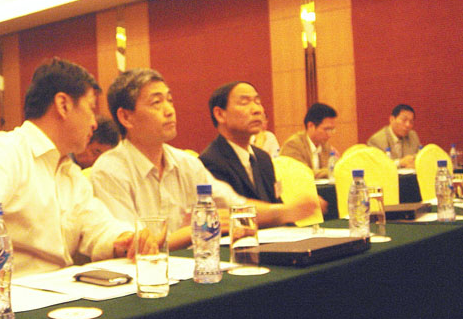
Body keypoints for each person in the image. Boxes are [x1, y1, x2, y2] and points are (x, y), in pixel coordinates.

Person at [0, 58, 152, 296]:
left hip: (61, 293)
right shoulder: (3, 152)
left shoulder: (70, 173)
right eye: (91, 108)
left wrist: (125, 239)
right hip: (10, 296)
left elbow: (96, 226)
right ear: (63, 105)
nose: (94, 123)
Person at [90, 69, 318, 251]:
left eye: (170, 100)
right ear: (126, 117)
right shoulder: (109, 170)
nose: (169, 110)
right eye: (156, 103)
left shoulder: (186, 163)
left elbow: (234, 205)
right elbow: (134, 246)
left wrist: (285, 211)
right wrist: (196, 230)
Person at [199, 82, 280, 203]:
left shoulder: (263, 158)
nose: (257, 110)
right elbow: (228, 210)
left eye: (258, 102)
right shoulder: (210, 162)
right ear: (220, 114)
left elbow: (277, 204)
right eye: (244, 103)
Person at [280, 103, 338, 179]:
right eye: (326, 129)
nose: (330, 134)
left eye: (332, 129)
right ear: (311, 126)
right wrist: (332, 171)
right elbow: (302, 173)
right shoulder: (293, 145)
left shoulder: (325, 145)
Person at [367, 104, 420, 168]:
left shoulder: (413, 136)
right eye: (404, 120)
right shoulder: (377, 140)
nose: (408, 125)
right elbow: (376, 165)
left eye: (411, 122)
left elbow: (419, 157)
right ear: (392, 119)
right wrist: (400, 163)